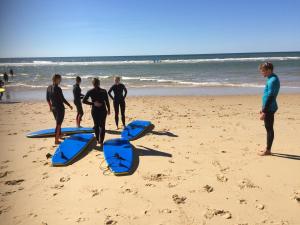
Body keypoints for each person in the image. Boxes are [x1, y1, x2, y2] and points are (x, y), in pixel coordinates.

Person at [258, 62, 280, 156]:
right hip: (269, 107)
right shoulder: (271, 78)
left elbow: (271, 96)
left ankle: (268, 150)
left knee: (269, 129)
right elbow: (268, 95)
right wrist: (263, 107)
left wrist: (264, 111)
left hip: (270, 108)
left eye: (263, 71)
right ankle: (268, 148)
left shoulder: (273, 80)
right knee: (269, 128)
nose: (262, 73)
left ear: (269, 70)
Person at [82, 78, 110, 146]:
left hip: (95, 110)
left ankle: (98, 140)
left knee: (96, 125)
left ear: (93, 84)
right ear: (99, 83)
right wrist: (109, 109)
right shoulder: (104, 91)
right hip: (103, 110)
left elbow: (83, 101)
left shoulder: (90, 91)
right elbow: (107, 101)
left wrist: (93, 103)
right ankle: (101, 142)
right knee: (102, 126)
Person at [46, 74, 73, 145]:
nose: (60, 80)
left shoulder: (49, 87)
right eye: (60, 79)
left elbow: (48, 99)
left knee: (58, 122)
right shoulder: (58, 89)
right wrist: (69, 105)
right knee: (58, 124)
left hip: (54, 108)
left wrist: (50, 107)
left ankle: (59, 135)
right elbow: (63, 99)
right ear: (56, 79)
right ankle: (56, 140)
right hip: (60, 108)